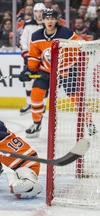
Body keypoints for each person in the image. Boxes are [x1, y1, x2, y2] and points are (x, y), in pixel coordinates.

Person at [18, 8, 97, 138]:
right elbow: (34, 56)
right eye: (47, 18)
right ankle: (36, 124)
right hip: (46, 71)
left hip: (66, 70)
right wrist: (29, 70)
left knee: (76, 97)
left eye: (52, 18)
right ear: (42, 20)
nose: (49, 21)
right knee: (36, 96)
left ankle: (89, 122)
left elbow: (80, 47)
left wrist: (79, 63)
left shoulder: (66, 33)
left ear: (57, 20)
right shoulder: (36, 36)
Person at [19, 3, 47, 115]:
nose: (39, 14)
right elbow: (23, 40)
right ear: (34, 13)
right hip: (30, 57)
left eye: (41, 11)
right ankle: (29, 103)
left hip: (45, 59)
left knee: (44, 81)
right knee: (28, 80)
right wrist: (26, 54)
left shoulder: (49, 25)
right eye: (36, 11)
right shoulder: (28, 25)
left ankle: (43, 104)